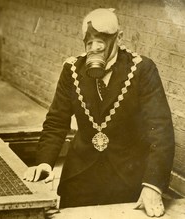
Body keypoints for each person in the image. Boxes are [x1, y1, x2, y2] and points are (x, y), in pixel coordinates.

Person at [24, 8, 175, 218]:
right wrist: (44, 162)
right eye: (89, 40)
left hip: (127, 178)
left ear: (119, 38)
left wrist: (152, 185)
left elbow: (161, 130)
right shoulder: (72, 69)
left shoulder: (142, 69)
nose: (94, 48)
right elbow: (57, 121)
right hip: (80, 177)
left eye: (102, 40)